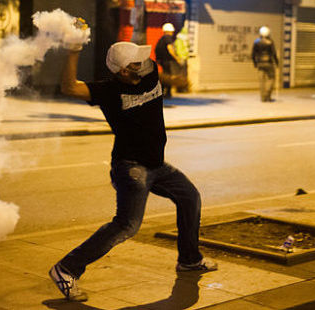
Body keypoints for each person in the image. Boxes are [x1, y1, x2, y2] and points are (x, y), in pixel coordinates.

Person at [49, 22, 218, 302]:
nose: (144, 63)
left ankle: (189, 259)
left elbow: (165, 74)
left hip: (157, 165)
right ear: (123, 71)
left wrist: (178, 81)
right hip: (131, 167)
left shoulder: (149, 74)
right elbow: (69, 87)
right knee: (127, 225)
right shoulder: (107, 90)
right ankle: (66, 268)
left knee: (190, 197)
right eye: (136, 63)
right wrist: (73, 47)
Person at [252, 26, 278, 102]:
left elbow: (253, 54)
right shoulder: (270, 41)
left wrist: (255, 63)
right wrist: (276, 62)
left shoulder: (256, 42)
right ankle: (268, 95)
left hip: (260, 63)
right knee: (271, 78)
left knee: (261, 81)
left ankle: (263, 98)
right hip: (269, 63)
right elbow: (274, 53)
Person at [155, 23, 180, 98]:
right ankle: (168, 93)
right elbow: (170, 49)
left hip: (161, 61)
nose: (172, 33)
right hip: (167, 61)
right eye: (172, 31)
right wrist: (176, 58)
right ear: (169, 31)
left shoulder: (162, 38)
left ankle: (162, 92)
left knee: (165, 76)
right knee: (168, 77)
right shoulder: (168, 38)